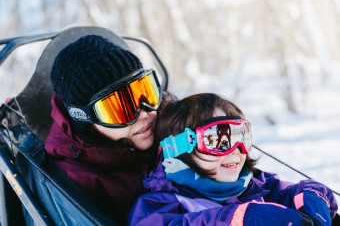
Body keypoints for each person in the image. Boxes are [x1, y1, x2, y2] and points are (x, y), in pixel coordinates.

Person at [128, 93, 338, 226]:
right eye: (216, 139)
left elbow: (294, 192)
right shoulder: (160, 204)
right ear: (180, 149)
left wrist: (313, 197)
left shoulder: (255, 185)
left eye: (240, 136)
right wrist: (240, 219)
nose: (234, 150)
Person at [44, 35, 173, 224]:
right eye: (120, 109)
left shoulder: (169, 123)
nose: (143, 113)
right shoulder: (76, 186)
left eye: (144, 92)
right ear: (86, 119)